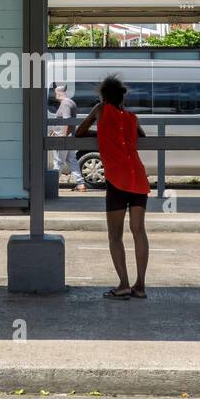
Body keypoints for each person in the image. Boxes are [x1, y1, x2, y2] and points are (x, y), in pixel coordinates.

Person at [74, 75, 151, 299]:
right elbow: (140, 137)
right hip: (138, 178)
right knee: (139, 232)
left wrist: (101, 136)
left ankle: (124, 284)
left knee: (115, 236)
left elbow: (79, 132)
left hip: (117, 179)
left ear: (104, 96)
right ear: (122, 98)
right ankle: (141, 286)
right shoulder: (132, 117)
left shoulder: (100, 110)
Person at [49, 84, 86, 191]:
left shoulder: (65, 103)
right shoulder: (70, 102)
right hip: (68, 136)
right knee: (72, 160)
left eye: (55, 93)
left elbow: (67, 121)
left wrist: (63, 137)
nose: (54, 95)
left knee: (58, 161)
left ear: (58, 92)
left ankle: (52, 185)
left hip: (63, 138)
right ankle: (80, 184)